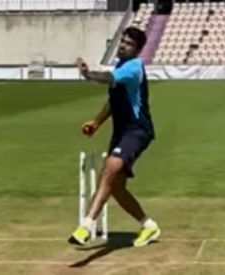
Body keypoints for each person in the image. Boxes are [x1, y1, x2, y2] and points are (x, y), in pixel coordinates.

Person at [68, 26, 160, 247]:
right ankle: (149, 226)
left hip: (137, 130)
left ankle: (87, 225)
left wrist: (88, 74)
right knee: (115, 186)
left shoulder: (134, 68)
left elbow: (108, 78)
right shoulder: (120, 65)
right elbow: (113, 102)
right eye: (123, 41)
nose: (123, 45)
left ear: (137, 50)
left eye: (129, 44)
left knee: (109, 168)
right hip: (122, 132)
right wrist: (97, 122)